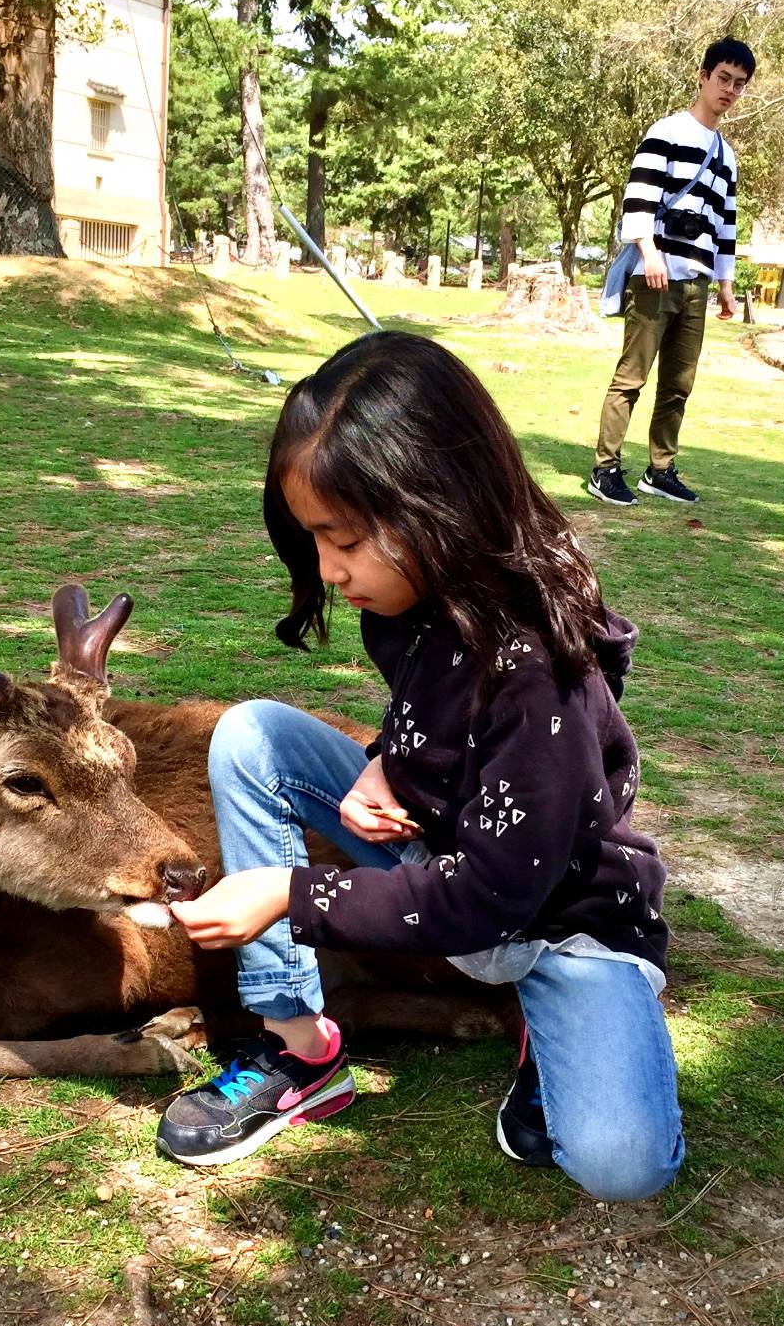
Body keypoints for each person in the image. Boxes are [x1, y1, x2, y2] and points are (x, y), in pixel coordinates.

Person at [159, 331, 684, 1202]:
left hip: (553, 920)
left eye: (346, 540)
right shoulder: (407, 600)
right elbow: (433, 722)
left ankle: (554, 1030)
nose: (328, 572)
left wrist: (288, 894)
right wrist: (382, 766)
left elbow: (487, 901)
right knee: (253, 735)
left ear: (438, 503)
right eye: (314, 540)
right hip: (443, 856)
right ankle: (298, 1048)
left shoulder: (536, 669)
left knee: (620, 1168)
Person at [589, 37, 755, 508]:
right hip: (656, 273)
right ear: (703, 77)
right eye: (723, 78)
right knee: (632, 377)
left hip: (697, 280)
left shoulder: (726, 155)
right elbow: (638, 196)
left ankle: (660, 469)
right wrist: (649, 250)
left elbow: (726, 224)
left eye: (739, 84)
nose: (729, 90)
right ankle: (605, 468)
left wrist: (726, 284)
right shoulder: (668, 131)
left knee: (679, 382)